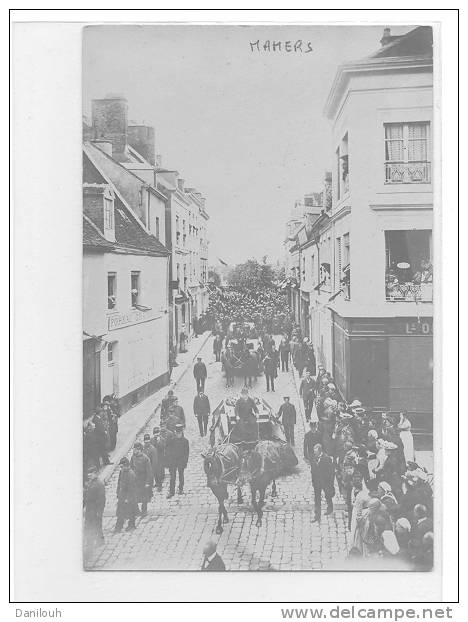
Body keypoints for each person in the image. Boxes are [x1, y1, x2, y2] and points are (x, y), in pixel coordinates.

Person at [310, 443, 335, 522]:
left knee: (327, 495)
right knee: (317, 499)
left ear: (320, 451)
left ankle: (330, 508)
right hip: (317, 482)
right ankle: (317, 516)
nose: (314, 453)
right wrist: (313, 481)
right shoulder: (313, 458)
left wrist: (330, 483)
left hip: (325, 481)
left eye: (316, 452)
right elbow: (312, 470)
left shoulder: (327, 458)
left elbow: (331, 472)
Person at [83, 466, 106, 552]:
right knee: (90, 525)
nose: (89, 476)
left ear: (95, 473)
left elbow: (102, 500)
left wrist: (99, 512)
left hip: (95, 509)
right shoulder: (91, 482)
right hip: (90, 509)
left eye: (91, 474)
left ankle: (97, 542)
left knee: (96, 526)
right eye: (88, 474)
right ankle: (94, 541)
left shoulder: (99, 484)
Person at [166, 423, 190, 498]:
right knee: (172, 477)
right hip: (173, 461)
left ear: (182, 432)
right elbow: (168, 451)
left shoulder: (185, 441)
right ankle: (171, 491)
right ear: (175, 432)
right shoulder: (172, 440)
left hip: (181, 461)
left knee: (181, 475)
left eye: (179, 433)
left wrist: (185, 462)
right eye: (177, 433)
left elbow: (186, 453)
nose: (178, 434)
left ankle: (180, 489)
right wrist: (169, 462)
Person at [130, 442, 153, 517]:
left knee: (144, 497)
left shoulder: (145, 458)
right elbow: (131, 466)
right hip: (135, 480)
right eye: (134, 449)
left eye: (135, 449)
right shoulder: (133, 457)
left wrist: (147, 482)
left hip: (143, 479)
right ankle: (137, 511)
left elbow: (149, 472)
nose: (134, 450)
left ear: (139, 450)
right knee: (135, 496)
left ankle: (144, 511)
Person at [115, 457, 137, 532]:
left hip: (129, 496)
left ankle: (132, 525)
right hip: (122, 495)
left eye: (121, 467)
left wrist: (128, 498)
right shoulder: (122, 472)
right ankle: (119, 527)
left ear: (126, 465)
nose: (120, 468)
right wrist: (118, 492)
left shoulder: (131, 474)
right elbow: (119, 482)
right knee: (120, 512)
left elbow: (131, 488)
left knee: (131, 511)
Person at [150, 426, 165, 491]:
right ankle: (157, 482)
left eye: (157, 433)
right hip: (154, 458)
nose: (156, 434)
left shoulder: (162, 439)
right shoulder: (152, 440)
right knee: (155, 472)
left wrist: (159, 442)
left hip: (160, 457)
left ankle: (160, 485)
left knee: (159, 472)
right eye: (155, 433)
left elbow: (162, 447)